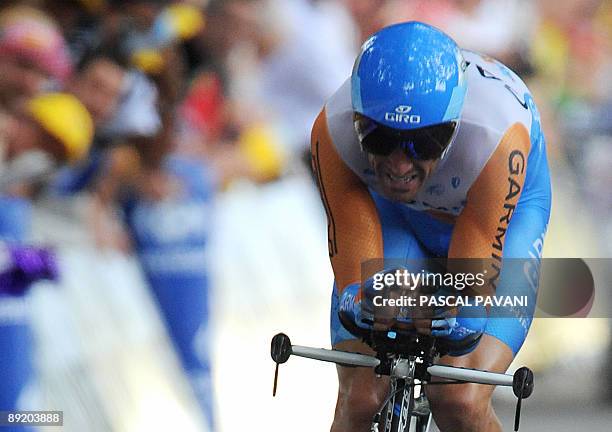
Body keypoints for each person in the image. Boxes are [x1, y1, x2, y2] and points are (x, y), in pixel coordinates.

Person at [310, 22, 551, 432]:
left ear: (454, 127)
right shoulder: (331, 131)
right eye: (380, 139)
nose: (400, 165)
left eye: (424, 142)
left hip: (496, 220)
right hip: (396, 216)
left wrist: (447, 315)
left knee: (458, 395)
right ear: (356, 120)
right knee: (360, 399)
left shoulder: (495, 134)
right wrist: (362, 298)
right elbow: (353, 268)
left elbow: (473, 289)